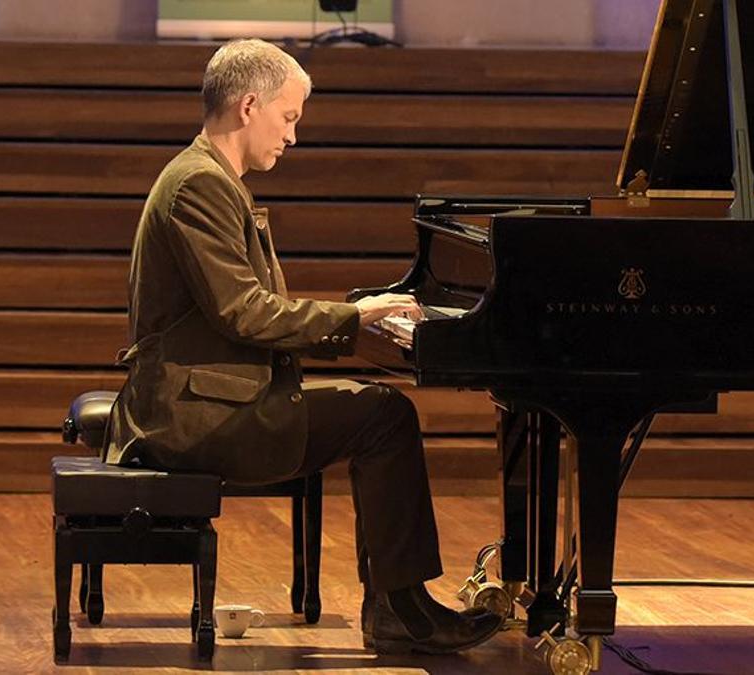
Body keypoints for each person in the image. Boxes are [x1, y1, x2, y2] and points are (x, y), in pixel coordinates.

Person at [103, 38, 501, 655]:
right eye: (288, 119)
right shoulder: (200, 186)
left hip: (209, 396)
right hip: (196, 415)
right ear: (249, 106)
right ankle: (400, 607)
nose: (292, 136)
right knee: (383, 415)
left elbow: (246, 313)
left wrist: (353, 328)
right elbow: (244, 313)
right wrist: (355, 316)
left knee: (374, 407)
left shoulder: (208, 178)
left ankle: (398, 603)